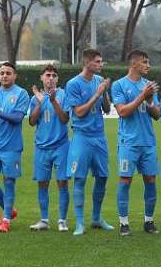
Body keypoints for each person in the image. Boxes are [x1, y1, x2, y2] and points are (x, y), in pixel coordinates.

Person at [111, 49, 161, 236]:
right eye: (145, 62)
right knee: (125, 180)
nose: (148, 65)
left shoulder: (149, 85)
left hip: (148, 142)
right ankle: (124, 223)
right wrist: (142, 96)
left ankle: (149, 221)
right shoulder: (119, 85)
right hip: (129, 142)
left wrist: (149, 101)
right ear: (134, 64)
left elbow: (157, 115)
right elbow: (123, 111)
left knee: (150, 180)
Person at [65, 49, 114, 236]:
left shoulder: (98, 82)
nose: (101, 64)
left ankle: (96, 218)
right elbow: (78, 112)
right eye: (98, 61)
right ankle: (79, 223)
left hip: (99, 137)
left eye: (101, 61)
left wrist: (105, 92)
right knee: (80, 178)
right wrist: (97, 93)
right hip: (82, 136)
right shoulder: (73, 84)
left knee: (102, 177)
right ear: (87, 63)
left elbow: (107, 109)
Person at [0, 62, 29, 233]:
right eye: (1, 73)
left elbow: (17, 118)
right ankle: (10, 209)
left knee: (9, 182)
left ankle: (6, 219)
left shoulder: (21, 93)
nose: (4, 76)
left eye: (8, 73)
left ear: (14, 75)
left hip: (12, 147)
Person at [28, 65, 70, 232]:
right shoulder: (35, 98)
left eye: (54, 75)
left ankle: (62, 220)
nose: (51, 78)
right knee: (42, 184)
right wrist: (40, 103)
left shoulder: (63, 95)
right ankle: (44, 220)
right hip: (41, 147)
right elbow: (31, 122)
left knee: (62, 183)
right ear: (42, 78)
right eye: (48, 75)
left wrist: (52, 101)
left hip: (61, 146)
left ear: (57, 79)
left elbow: (65, 119)